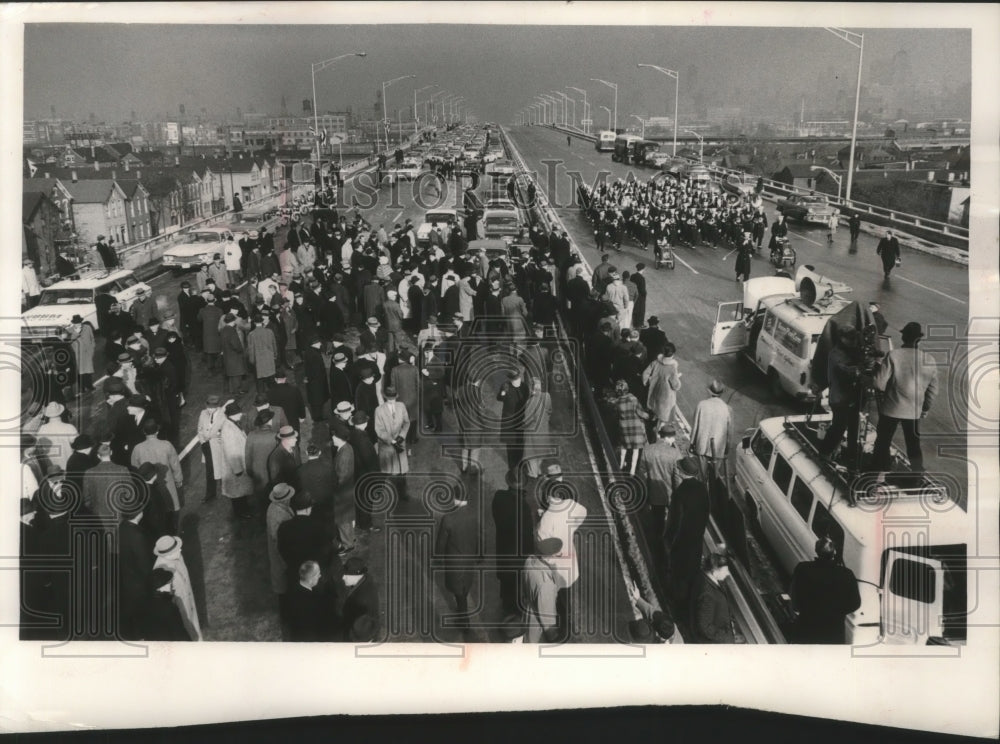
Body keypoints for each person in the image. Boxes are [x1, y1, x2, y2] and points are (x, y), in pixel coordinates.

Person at [872, 322, 938, 474]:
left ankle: (878, 471)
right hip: (913, 411)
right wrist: (925, 408)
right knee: (913, 444)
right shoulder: (929, 359)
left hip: (891, 408)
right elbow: (933, 390)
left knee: (883, 441)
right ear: (919, 340)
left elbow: (878, 384)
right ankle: (917, 473)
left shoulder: (893, 355)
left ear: (903, 337)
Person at [534, 460, 588, 638]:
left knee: (554, 599)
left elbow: (543, 549)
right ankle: (569, 624)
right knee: (568, 596)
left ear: (549, 497)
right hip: (569, 561)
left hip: (554, 566)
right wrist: (573, 528)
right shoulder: (571, 505)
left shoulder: (545, 521)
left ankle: (561, 630)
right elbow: (583, 512)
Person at [789, 536, 862, 644]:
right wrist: (837, 612)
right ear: (835, 552)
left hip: (807, 627)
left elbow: (794, 593)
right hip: (833, 631)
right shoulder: (846, 574)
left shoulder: (802, 568)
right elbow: (855, 603)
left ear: (816, 550)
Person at [434, 483, 481, 637]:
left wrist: (438, 559)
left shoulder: (449, 519)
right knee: (465, 586)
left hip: (455, 562)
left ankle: (464, 620)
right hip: (469, 560)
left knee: (459, 594)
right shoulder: (475, 515)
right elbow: (480, 537)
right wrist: (481, 555)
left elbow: (441, 543)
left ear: (456, 499)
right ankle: (463, 611)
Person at [664, 455, 710, 611]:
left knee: (679, 574)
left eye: (679, 468)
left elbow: (675, 522)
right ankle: (691, 602)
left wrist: (669, 541)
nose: (677, 470)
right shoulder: (703, 489)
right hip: (696, 540)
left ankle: (678, 605)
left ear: (683, 473)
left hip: (682, 542)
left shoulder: (680, 493)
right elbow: (706, 514)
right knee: (692, 571)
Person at [816, 327, 864, 468]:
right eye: (850, 339)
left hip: (851, 397)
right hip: (839, 398)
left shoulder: (850, 352)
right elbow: (846, 370)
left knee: (854, 428)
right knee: (839, 426)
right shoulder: (836, 354)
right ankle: (825, 453)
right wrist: (860, 368)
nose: (853, 342)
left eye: (854, 339)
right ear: (842, 339)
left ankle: (851, 457)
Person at [131, 418, 183, 535]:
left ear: (144, 432)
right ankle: (174, 533)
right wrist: (178, 479)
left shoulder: (137, 449)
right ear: (157, 432)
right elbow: (175, 464)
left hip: (149, 487)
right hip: (167, 483)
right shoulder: (166, 445)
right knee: (172, 509)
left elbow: (135, 468)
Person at [152, 535, 202, 641]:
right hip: (180, 606)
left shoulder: (177, 555)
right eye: (176, 549)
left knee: (194, 622)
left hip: (188, 598)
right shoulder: (161, 572)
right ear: (166, 554)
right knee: (187, 628)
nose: (180, 549)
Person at [689, 379, 734, 484]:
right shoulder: (728, 409)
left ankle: (702, 491)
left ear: (709, 391)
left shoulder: (701, 405)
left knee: (701, 475)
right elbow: (729, 433)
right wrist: (727, 449)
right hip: (718, 449)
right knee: (714, 475)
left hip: (702, 446)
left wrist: (691, 443)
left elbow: (695, 425)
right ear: (722, 393)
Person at [643, 423, 684, 537]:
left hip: (652, 492)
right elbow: (677, 478)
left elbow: (642, 472)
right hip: (669, 493)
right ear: (670, 438)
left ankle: (656, 539)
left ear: (660, 435)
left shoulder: (647, 450)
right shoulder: (675, 454)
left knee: (657, 519)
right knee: (673, 519)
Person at [521, 536, 564, 643]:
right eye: (558, 555)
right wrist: (553, 637)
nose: (560, 557)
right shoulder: (546, 584)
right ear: (549, 558)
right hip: (538, 626)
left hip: (527, 614)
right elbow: (547, 619)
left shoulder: (530, 560)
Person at [284, 560, 339, 642]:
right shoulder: (312, 602)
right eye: (318, 574)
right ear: (311, 579)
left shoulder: (293, 589)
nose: (320, 576)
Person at [689, 552, 736, 644]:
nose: (727, 574)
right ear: (715, 571)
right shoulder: (707, 594)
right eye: (725, 571)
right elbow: (705, 628)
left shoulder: (704, 578)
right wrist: (727, 638)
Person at [266, 483, 296, 625]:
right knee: (284, 590)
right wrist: (287, 562)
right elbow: (278, 541)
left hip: (280, 557)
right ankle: (287, 618)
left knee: (283, 588)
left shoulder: (274, 508)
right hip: (282, 558)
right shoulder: (279, 516)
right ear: (284, 499)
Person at [374, 386, 410, 503]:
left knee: (402, 472)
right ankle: (378, 491)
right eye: (389, 399)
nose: (391, 401)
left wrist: (402, 436)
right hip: (387, 446)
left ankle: (402, 493)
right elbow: (379, 430)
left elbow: (406, 422)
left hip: (400, 445)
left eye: (393, 398)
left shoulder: (401, 406)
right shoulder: (379, 410)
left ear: (396, 396)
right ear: (385, 398)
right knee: (385, 472)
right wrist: (391, 440)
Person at [219, 402, 253, 519]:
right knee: (237, 493)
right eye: (239, 413)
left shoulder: (232, 424)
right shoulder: (228, 430)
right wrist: (238, 469)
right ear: (234, 414)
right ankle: (241, 513)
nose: (241, 415)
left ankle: (243, 510)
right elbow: (231, 451)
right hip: (235, 468)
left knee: (240, 492)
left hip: (237, 466)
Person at [330, 420, 357, 556]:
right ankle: (350, 538)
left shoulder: (344, 454)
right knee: (346, 518)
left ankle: (348, 545)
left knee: (342, 519)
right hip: (347, 490)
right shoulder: (347, 448)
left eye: (334, 437)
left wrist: (332, 488)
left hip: (342, 493)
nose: (332, 438)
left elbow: (341, 476)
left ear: (339, 439)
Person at [612, 379, 649, 475]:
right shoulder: (633, 399)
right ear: (627, 389)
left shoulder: (617, 402)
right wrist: (648, 416)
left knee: (624, 447)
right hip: (636, 427)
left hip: (624, 428)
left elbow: (616, 415)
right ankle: (632, 470)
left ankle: (620, 465)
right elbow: (640, 413)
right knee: (635, 450)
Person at [496, 368, 530, 472]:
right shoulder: (524, 386)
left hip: (509, 421)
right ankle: (518, 464)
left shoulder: (506, 386)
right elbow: (528, 400)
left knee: (511, 445)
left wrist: (502, 394)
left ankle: (512, 466)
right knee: (519, 443)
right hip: (520, 419)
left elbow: (499, 398)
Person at [642, 344, 682, 431]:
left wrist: (647, 382)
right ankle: (658, 430)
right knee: (663, 415)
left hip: (654, 390)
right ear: (673, 354)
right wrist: (678, 379)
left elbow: (645, 373)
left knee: (654, 408)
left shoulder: (655, 362)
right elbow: (676, 386)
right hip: (665, 396)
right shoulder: (672, 368)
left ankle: (651, 422)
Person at [196, 395, 225, 503]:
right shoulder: (203, 413)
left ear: (218, 407)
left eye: (213, 407)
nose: (210, 409)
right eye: (209, 406)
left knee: (223, 467)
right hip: (207, 446)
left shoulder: (223, 415)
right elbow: (199, 429)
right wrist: (203, 441)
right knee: (209, 471)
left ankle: (225, 489)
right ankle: (210, 494)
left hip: (218, 447)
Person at [67, 314, 96, 392]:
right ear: (73, 323)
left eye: (79, 322)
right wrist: (76, 332)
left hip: (87, 352)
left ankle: (89, 385)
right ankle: (82, 388)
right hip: (78, 353)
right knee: (80, 372)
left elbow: (92, 338)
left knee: (88, 371)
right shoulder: (70, 330)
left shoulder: (87, 327)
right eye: (76, 323)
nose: (78, 324)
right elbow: (69, 340)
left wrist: (92, 348)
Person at [267, 426, 301, 492]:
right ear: (286, 440)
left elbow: (299, 465)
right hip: (287, 492)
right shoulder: (275, 457)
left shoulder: (295, 448)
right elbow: (276, 482)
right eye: (293, 438)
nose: (296, 440)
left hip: (298, 487)